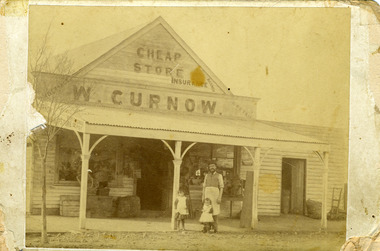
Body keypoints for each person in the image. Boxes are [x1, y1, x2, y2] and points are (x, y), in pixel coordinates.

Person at [202, 162, 224, 233]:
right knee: (207, 210)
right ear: (208, 167)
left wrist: (219, 197)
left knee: (215, 211)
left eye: (213, 166)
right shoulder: (206, 175)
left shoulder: (219, 175)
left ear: (216, 167)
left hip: (215, 194)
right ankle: (206, 227)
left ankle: (215, 228)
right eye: (210, 166)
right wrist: (203, 196)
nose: (212, 167)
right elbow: (204, 186)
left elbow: (221, 187)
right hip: (207, 193)